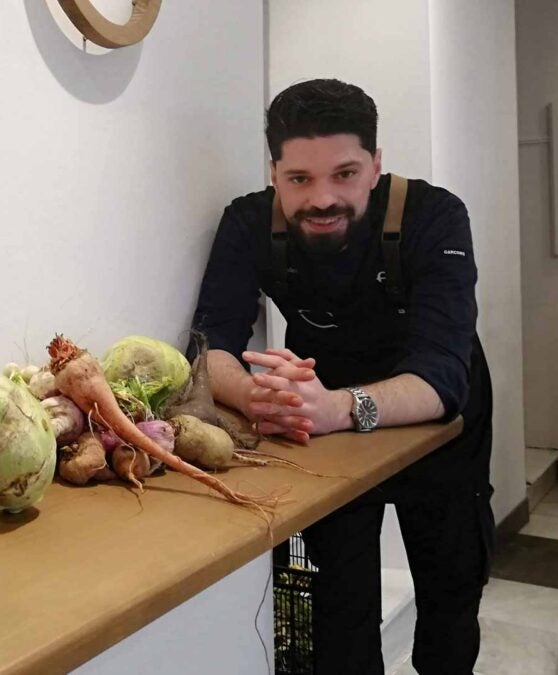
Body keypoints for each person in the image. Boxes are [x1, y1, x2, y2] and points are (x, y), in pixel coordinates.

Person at [188, 78, 494, 674]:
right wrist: (259, 396)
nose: (322, 199)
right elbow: (207, 350)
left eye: (345, 174)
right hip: (321, 430)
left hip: (435, 423)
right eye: (299, 179)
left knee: (451, 589)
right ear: (273, 170)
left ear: (376, 165)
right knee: (335, 607)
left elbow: (441, 376)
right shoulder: (248, 223)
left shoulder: (436, 216)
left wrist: (339, 406)